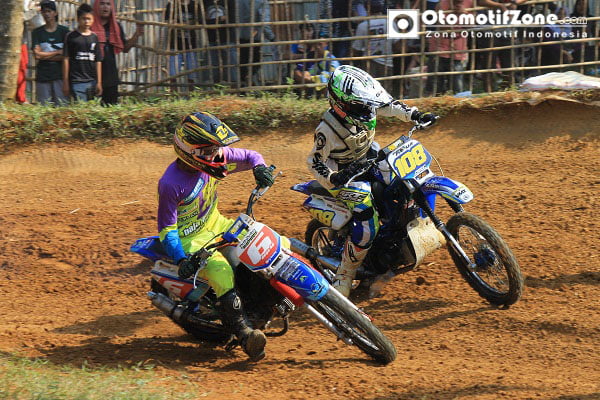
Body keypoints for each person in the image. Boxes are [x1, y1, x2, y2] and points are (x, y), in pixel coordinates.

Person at [306, 65, 437, 297]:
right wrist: (333, 177)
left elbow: (389, 105)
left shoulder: (365, 106)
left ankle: (401, 236)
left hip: (370, 159)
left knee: (402, 186)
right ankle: (344, 275)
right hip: (344, 177)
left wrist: (415, 115)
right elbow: (314, 161)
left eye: (366, 104)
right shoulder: (326, 130)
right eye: (360, 105)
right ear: (340, 103)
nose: (367, 109)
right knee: (368, 221)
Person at [157, 111, 275, 361]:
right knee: (222, 273)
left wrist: (260, 168)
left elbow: (251, 156)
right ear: (190, 151)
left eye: (217, 148)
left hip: (218, 224)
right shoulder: (170, 184)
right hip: (191, 240)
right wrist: (181, 259)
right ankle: (245, 335)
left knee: (270, 243)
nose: (217, 155)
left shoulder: (215, 158)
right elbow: (167, 230)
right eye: (209, 150)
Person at [92, 0, 143, 105]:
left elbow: (125, 48)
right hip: (91, 76)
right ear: (96, 6)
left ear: (112, 7)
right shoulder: (90, 26)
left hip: (110, 77)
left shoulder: (115, 27)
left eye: (108, 4)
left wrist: (136, 34)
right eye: (102, 3)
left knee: (111, 108)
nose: (105, 7)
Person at [425, 0, 473, 95]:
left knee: (457, 88)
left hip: (458, 50)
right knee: (435, 87)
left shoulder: (469, 2)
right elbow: (442, 26)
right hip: (439, 48)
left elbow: (471, 25)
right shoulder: (442, 4)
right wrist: (455, 14)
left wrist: (464, 14)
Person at [31, 0, 69, 105]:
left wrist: (44, 55)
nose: (46, 14)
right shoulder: (37, 32)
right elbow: (37, 55)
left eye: (49, 11)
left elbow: (66, 56)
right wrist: (58, 52)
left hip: (60, 76)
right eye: (44, 12)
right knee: (44, 108)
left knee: (62, 108)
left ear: (55, 13)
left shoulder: (64, 31)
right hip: (43, 76)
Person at [62, 3, 103, 101]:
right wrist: (66, 82)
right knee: (81, 107)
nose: (86, 21)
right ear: (78, 19)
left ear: (93, 19)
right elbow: (66, 59)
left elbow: (98, 61)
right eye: (84, 18)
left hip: (92, 81)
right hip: (77, 81)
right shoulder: (71, 37)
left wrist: (99, 82)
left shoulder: (94, 37)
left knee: (92, 107)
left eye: (89, 19)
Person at [351, 2, 394, 92]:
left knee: (370, 92)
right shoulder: (390, 23)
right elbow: (398, 45)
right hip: (387, 62)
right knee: (386, 91)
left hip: (369, 63)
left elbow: (356, 49)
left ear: (367, 9)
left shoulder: (363, 26)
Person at [236, 0, 276, 85]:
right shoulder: (262, 1)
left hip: (237, 35)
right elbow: (264, 22)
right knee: (256, 62)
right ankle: (247, 81)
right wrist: (271, 36)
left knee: (242, 62)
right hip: (253, 35)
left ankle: (244, 84)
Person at [293, 31, 341, 98]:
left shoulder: (331, 59)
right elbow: (297, 72)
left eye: (320, 44)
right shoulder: (309, 56)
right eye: (316, 44)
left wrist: (312, 79)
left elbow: (335, 77)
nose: (318, 47)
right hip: (309, 88)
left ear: (326, 44)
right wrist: (304, 77)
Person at [164, 0, 200, 86]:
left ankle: (192, 93)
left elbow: (198, 21)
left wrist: (181, 24)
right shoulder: (171, 5)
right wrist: (178, 24)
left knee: (192, 74)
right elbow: (168, 22)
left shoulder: (194, 5)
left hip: (191, 45)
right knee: (173, 74)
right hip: (175, 45)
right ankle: (174, 93)